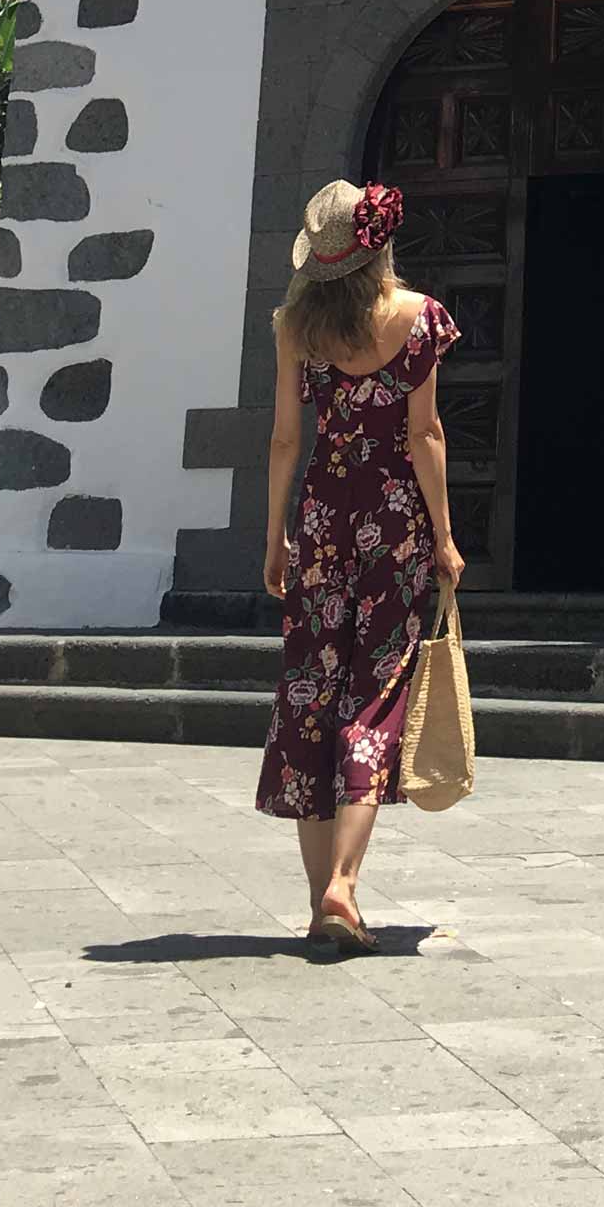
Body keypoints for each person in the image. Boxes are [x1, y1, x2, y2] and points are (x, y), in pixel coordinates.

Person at [253, 177, 461, 951]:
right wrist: (443, 536)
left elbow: (283, 438)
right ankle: (344, 884)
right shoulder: (417, 321)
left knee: (310, 694)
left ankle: (320, 907)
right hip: (392, 528)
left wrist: (275, 535)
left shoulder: (294, 326)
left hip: (321, 522)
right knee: (374, 694)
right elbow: (425, 434)